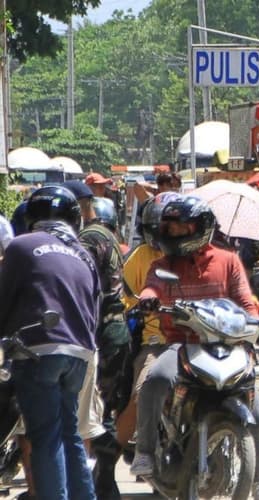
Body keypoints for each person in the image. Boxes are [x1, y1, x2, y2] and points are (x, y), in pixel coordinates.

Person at [129, 195, 259, 499]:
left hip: (229, 345)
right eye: (168, 227)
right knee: (155, 380)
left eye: (179, 227)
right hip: (180, 344)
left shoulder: (228, 260)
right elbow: (151, 287)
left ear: (201, 227)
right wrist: (148, 300)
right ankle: (144, 452)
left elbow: (245, 301)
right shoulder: (162, 265)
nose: (171, 233)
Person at [0, 186, 98, 500]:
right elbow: (95, 305)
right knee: (70, 433)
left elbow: (4, 297)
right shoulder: (84, 254)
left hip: (39, 350)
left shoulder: (22, 245)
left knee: (45, 437)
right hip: (80, 352)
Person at [78, 196, 132, 499]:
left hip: (102, 332)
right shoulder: (110, 239)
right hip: (114, 330)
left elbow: (85, 287)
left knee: (96, 410)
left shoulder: (90, 238)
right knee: (106, 409)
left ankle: (104, 482)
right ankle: (105, 480)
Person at [114, 192, 177, 452]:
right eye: (158, 228)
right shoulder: (140, 256)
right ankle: (111, 456)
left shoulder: (200, 256)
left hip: (198, 338)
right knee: (143, 392)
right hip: (156, 341)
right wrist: (139, 306)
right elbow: (124, 297)